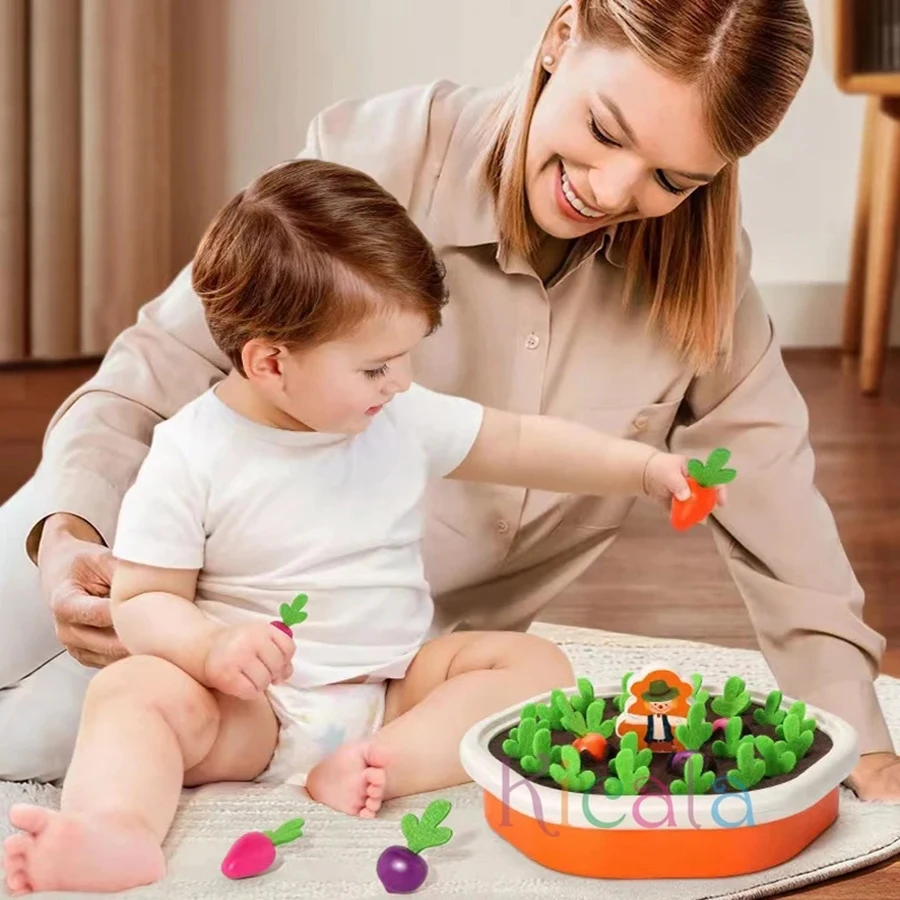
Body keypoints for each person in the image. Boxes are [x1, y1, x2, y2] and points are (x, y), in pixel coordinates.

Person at [0, 0, 897, 800]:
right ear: (560, 36)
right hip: (165, 577)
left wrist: (853, 729)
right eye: (606, 129)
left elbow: (773, 492)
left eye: (674, 180)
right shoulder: (378, 157)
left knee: (65, 738)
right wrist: (69, 528)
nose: (615, 191)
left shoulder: (703, 283)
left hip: (370, 666)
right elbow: (164, 362)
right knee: (43, 698)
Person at [1, 157, 709, 895]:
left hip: (392, 686)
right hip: (253, 711)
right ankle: (115, 832)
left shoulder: (400, 415)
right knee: (133, 690)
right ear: (271, 363)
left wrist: (640, 467)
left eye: (406, 359)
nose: (400, 381)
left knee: (539, 669)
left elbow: (520, 443)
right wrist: (210, 650)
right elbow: (142, 602)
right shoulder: (190, 454)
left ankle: (381, 763)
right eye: (376, 368)